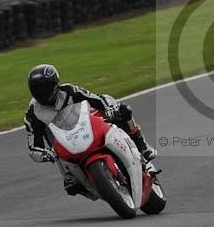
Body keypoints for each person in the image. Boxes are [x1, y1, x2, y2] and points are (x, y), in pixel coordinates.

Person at [24, 64, 157, 196]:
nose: (43, 94)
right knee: (72, 186)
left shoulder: (69, 91)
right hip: (64, 148)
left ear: (55, 84)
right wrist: (46, 154)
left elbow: (97, 99)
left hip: (86, 127)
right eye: (38, 91)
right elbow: (34, 147)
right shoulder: (33, 114)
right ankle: (76, 176)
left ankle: (142, 145)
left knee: (123, 111)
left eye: (46, 89)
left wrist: (110, 108)